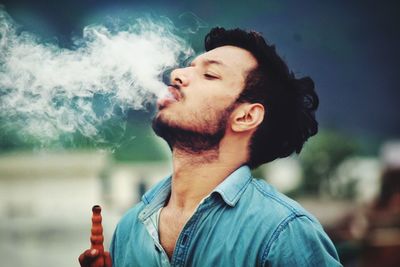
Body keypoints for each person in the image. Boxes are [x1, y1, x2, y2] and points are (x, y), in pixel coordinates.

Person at [79, 27, 342, 266]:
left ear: (245, 117)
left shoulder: (283, 233)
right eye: (188, 67)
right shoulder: (129, 229)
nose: (177, 74)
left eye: (210, 74)